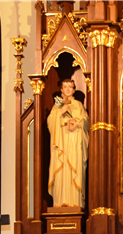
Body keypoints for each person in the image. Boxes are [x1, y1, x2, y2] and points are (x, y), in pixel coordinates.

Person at [47, 79, 89, 208]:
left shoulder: (78, 105)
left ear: (74, 90)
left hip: (75, 142)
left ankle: (75, 201)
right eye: (65, 87)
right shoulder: (57, 104)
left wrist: (77, 123)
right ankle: (60, 201)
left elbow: (86, 120)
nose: (68, 89)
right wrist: (60, 112)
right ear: (61, 89)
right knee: (61, 169)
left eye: (70, 87)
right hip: (62, 142)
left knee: (74, 168)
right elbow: (50, 121)